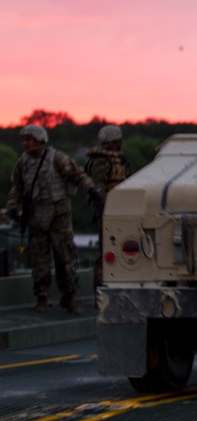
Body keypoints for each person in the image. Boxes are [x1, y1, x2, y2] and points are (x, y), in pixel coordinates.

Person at [0, 124, 103, 314]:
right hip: (35, 216)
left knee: (65, 257)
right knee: (39, 260)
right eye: (23, 139)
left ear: (40, 140)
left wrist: (91, 189)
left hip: (59, 215)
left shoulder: (57, 158)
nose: (25, 143)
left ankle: (68, 297)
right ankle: (42, 297)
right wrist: (13, 207)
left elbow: (77, 175)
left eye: (29, 139)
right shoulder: (22, 164)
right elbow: (17, 188)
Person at [85, 124, 131, 291]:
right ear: (114, 141)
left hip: (120, 210)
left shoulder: (118, 159)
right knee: (105, 251)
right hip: (107, 212)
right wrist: (106, 210)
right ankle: (100, 289)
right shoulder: (101, 161)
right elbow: (99, 189)